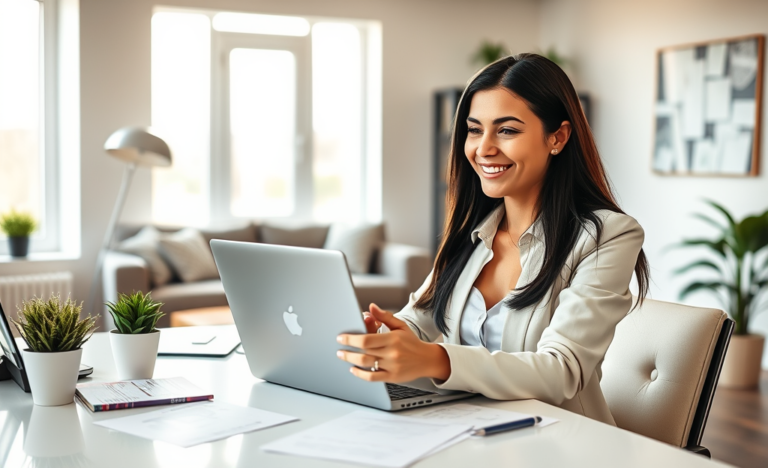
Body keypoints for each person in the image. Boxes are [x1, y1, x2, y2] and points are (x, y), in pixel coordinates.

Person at [335, 53, 649, 425]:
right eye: (474, 130)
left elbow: (562, 370)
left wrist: (436, 358)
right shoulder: (471, 232)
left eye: (507, 130)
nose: (483, 148)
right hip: (467, 429)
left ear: (558, 137)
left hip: (563, 439)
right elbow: (418, 320)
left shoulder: (607, 235)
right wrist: (384, 334)